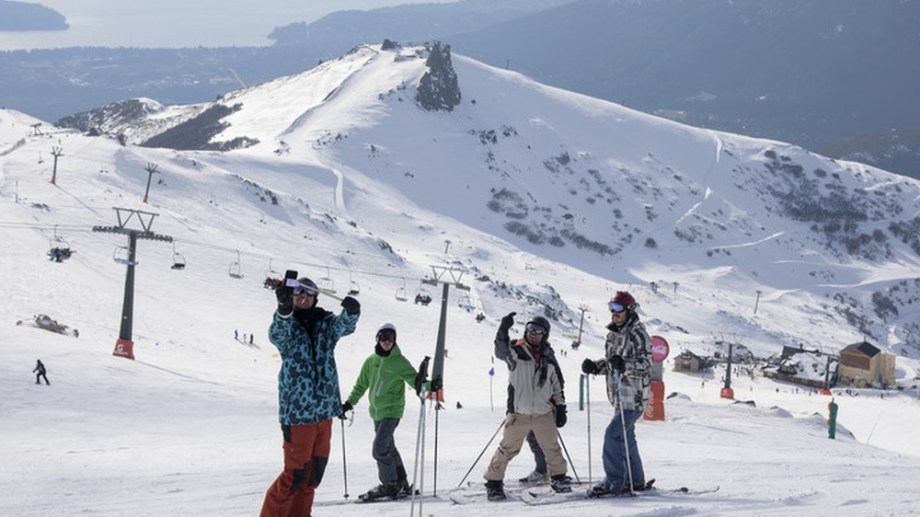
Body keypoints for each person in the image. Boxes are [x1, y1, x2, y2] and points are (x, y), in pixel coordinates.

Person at [260, 275, 361, 517]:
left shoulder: (326, 324)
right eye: (298, 293)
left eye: (308, 292)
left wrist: (352, 311)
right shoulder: (288, 325)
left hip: (324, 413)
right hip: (298, 415)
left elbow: (345, 326)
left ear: (316, 297)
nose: (303, 296)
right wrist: (283, 309)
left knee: (312, 476)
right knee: (294, 476)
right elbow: (276, 334)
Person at [483, 313, 570, 501]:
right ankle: (494, 483)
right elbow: (500, 351)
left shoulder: (549, 358)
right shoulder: (516, 352)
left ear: (545, 335)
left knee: (552, 448)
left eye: (538, 330)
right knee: (507, 449)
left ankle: (558, 478)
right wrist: (503, 329)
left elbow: (557, 385)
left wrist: (561, 408)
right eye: (530, 328)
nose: (533, 333)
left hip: (543, 414)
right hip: (519, 414)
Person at [340, 323, 424, 500]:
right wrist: (349, 403)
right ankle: (402, 483)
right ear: (378, 339)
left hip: (392, 412)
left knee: (379, 449)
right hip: (376, 413)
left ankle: (389, 485)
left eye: (391, 338)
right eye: (384, 337)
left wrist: (428, 384)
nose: (387, 341)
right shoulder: (371, 361)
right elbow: (361, 385)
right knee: (389, 449)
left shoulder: (399, 361)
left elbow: (415, 381)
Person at [581, 291, 652, 497]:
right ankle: (635, 480)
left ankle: (614, 481)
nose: (614, 312)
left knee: (612, 435)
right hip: (619, 397)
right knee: (626, 439)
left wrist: (625, 365)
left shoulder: (638, 334)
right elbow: (613, 364)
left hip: (634, 397)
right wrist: (596, 367)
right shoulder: (613, 334)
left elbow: (646, 364)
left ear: (629, 309)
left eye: (618, 308)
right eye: (611, 307)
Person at [518, 340, 565, 484]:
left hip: (546, 405)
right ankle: (546, 470)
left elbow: (558, 380)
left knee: (542, 440)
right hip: (531, 406)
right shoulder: (530, 356)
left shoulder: (546, 356)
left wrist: (556, 403)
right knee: (536, 439)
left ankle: (548, 472)